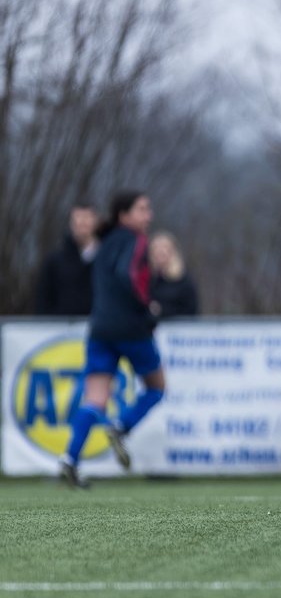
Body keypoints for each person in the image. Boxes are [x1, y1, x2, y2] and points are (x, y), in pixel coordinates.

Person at [58, 191, 166, 489]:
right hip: (131, 329)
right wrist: (148, 308)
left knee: (95, 399)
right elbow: (129, 276)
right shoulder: (136, 240)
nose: (148, 215)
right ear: (124, 215)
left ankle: (70, 459)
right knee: (157, 387)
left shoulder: (104, 243)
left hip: (100, 329)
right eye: (142, 209)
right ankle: (121, 427)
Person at [33, 202, 99, 316]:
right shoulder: (54, 261)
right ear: (71, 224)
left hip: (101, 328)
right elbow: (43, 299)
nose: (81, 223)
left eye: (86, 219)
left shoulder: (108, 259)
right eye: (77, 220)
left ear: (96, 222)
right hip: (62, 328)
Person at [149, 231, 200, 319]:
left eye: (164, 249)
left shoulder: (183, 281)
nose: (160, 252)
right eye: (156, 249)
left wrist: (161, 311)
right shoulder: (148, 280)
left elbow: (192, 311)